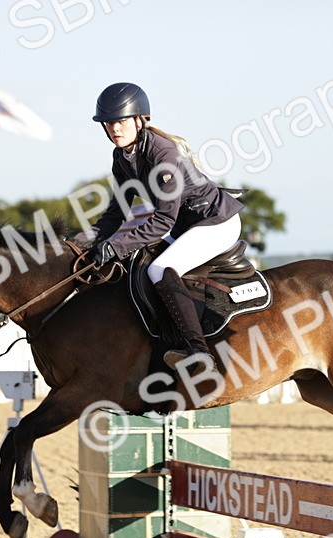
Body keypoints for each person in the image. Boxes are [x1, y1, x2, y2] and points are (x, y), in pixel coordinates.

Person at [88, 82, 244, 369]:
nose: (114, 129)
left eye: (120, 121)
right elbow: (117, 212)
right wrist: (87, 242)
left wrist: (115, 246)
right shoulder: (121, 157)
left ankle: (199, 352)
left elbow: (162, 221)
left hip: (215, 222)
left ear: (139, 120)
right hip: (187, 227)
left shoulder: (163, 152)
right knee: (139, 262)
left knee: (160, 268)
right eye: (108, 123)